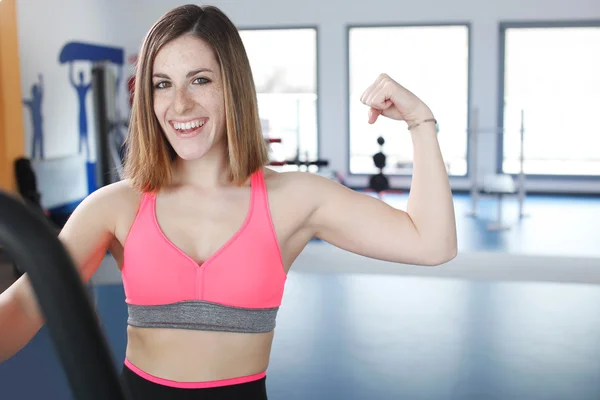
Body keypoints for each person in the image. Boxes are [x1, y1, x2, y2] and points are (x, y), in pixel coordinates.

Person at [0, 4, 457, 399]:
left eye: (199, 80)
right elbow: (23, 307)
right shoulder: (115, 207)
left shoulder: (293, 199)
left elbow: (430, 243)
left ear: (232, 86)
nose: (179, 105)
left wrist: (421, 121)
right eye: (162, 84)